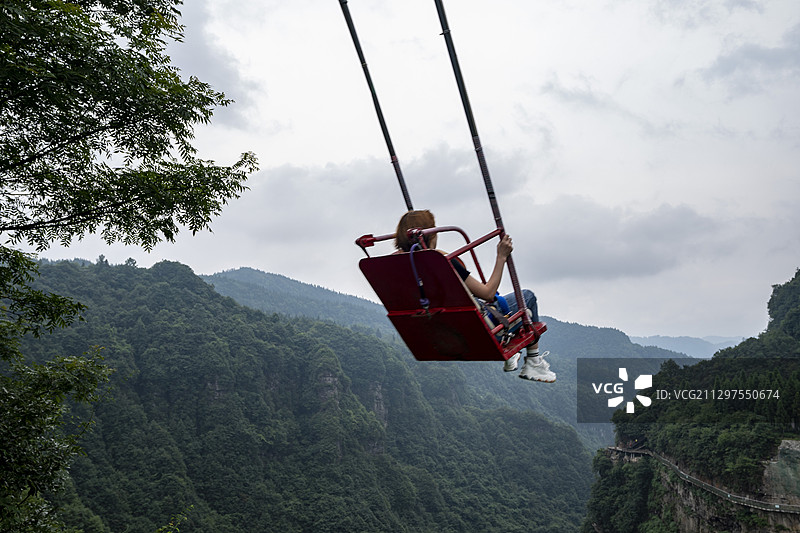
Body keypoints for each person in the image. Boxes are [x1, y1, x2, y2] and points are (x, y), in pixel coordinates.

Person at [394, 210, 555, 383]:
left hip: (438, 332)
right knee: (527, 297)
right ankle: (533, 361)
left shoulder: (395, 265)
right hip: (480, 330)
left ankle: (514, 355)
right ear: (430, 234)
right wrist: (501, 257)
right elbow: (488, 293)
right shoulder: (444, 263)